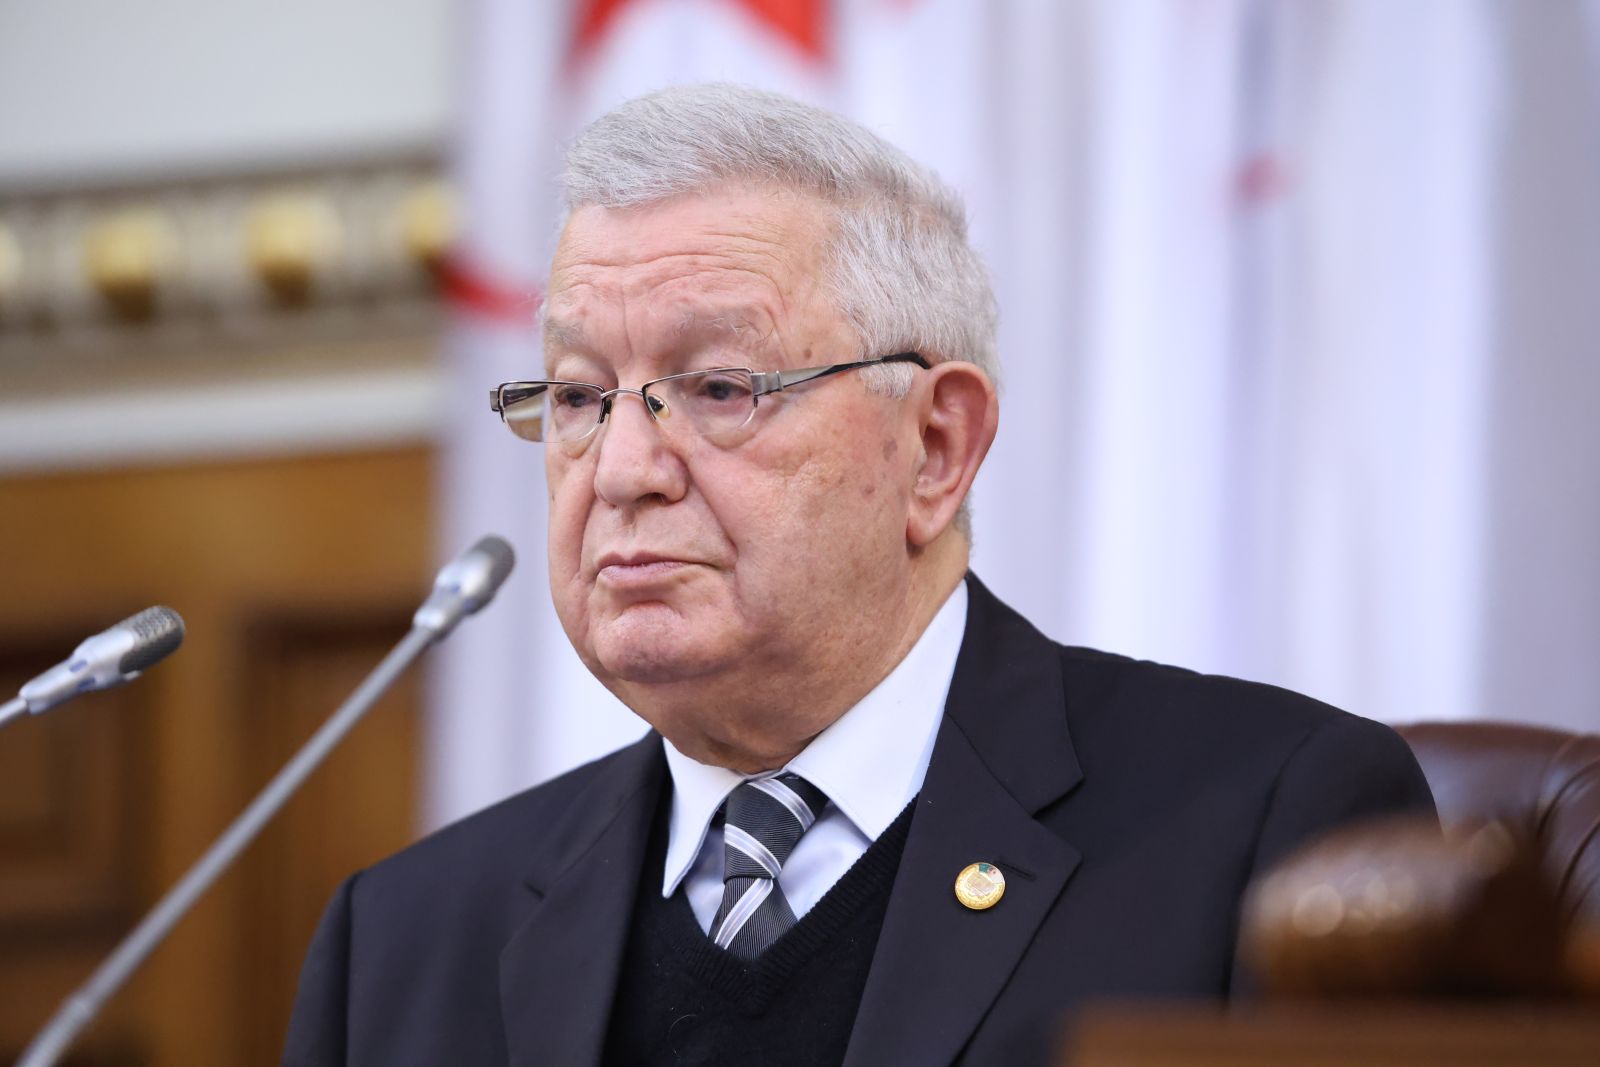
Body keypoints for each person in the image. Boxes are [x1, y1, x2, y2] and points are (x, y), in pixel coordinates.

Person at [284, 84, 1435, 1067]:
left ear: (934, 447)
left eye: (719, 387)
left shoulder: (1269, 829)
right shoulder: (406, 935)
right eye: (581, 395)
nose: (623, 468)